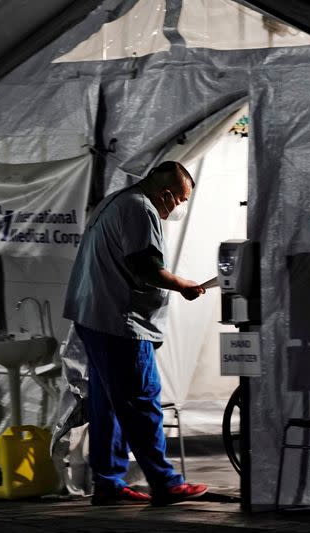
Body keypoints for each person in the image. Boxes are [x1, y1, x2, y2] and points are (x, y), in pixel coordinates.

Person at [63, 161, 208, 506]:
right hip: (120, 322)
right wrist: (183, 285)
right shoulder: (140, 209)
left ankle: (108, 482)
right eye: (181, 200)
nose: (179, 208)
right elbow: (145, 267)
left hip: (96, 317)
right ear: (167, 193)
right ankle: (164, 482)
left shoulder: (116, 200)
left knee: (108, 405)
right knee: (142, 400)